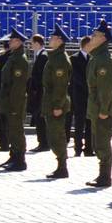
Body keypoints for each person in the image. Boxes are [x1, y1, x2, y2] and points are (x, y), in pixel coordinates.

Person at [85, 20, 112, 189]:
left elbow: (105, 87)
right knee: (98, 140)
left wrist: (104, 109)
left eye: (95, 35)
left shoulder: (104, 59)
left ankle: (105, 176)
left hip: (102, 106)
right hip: (96, 104)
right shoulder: (97, 57)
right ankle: (102, 174)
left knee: (103, 141)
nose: (92, 37)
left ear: (103, 38)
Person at [42, 24, 73, 179]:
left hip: (56, 103)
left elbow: (60, 86)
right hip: (51, 101)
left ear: (60, 40)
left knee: (57, 135)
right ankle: (60, 165)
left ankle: (62, 166)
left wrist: (58, 105)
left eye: (53, 38)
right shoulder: (55, 57)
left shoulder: (60, 59)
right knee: (54, 135)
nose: (50, 40)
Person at [0, 27, 30, 172]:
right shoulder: (13, 56)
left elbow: (18, 85)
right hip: (9, 99)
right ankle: (14, 155)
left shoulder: (20, 60)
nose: (9, 42)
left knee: (16, 130)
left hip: (15, 101)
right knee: (11, 129)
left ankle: (20, 160)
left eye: (12, 40)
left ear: (18, 42)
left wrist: (13, 104)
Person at [70, 36, 93, 157]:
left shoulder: (92, 58)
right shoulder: (74, 58)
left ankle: (89, 148)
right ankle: (78, 147)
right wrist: (89, 86)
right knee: (79, 123)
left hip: (90, 96)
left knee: (90, 122)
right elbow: (77, 77)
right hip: (79, 95)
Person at [28, 34, 49, 152]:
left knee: (40, 118)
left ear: (37, 43)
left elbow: (40, 76)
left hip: (40, 93)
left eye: (32, 43)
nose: (31, 45)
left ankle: (44, 143)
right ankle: (42, 142)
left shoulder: (43, 56)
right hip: (38, 92)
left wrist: (35, 90)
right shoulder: (40, 55)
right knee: (38, 118)